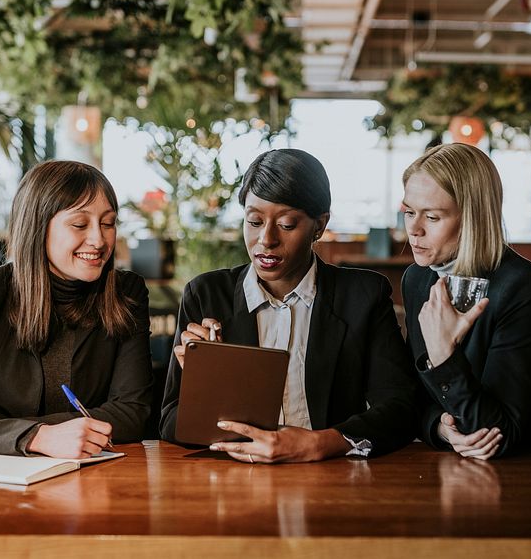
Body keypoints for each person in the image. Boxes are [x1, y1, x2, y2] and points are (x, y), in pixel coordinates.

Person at [160, 149, 417, 463]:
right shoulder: (206, 294)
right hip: (235, 484)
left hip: (331, 476)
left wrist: (320, 443)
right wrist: (206, 386)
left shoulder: (362, 295)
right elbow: (170, 421)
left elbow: (400, 408)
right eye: (254, 221)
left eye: (286, 224)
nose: (266, 239)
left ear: (319, 226)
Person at [0, 160, 153, 457]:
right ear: (37, 227)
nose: (99, 239)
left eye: (107, 223)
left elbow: (133, 414)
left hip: (95, 476)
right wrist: (37, 437)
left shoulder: (126, 292)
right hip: (0, 480)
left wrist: (3, 429)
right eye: (80, 224)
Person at [401, 143, 531, 460]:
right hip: (455, 467)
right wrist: (440, 429)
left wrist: (444, 356)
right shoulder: (417, 279)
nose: (413, 230)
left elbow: (498, 433)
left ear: (473, 217)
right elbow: (408, 395)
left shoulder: (522, 288)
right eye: (408, 212)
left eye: (432, 216)